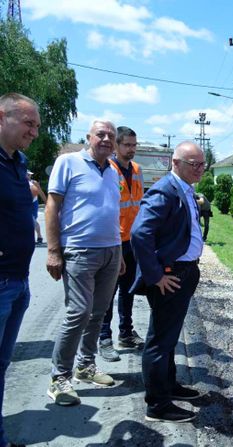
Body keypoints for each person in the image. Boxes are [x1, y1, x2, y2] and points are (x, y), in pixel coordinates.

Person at [45, 120, 123, 406]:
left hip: (111, 251)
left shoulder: (113, 171)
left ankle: (85, 366)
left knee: (99, 312)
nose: (106, 139)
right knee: (78, 312)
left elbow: (112, 212)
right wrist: (53, 250)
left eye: (110, 136)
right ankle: (59, 378)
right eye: (100, 134)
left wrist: (120, 253)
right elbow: (53, 205)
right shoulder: (68, 162)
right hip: (78, 250)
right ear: (88, 137)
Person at [130, 141, 205, 423]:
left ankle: (169, 386)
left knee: (169, 336)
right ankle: (158, 405)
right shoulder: (165, 189)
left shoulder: (185, 189)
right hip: (170, 276)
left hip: (185, 272)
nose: (199, 169)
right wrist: (155, 275)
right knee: (160, 340)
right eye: (193, 164)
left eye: (202, 164)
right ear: (175, 163)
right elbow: (140, 234)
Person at [0, 93, 40, 447]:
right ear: (2, 116)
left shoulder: (18, 162)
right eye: (29, 123)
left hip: (19, 281)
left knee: (1, 366)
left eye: (37, 125)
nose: (35, 132)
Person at [98, 126, 145, 363]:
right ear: (116, 146)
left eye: (134, 145)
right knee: (109, 291)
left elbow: (138, 205)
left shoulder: (136, 170)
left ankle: (125, 333)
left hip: (133, 242)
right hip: (114, 242)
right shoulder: (108, 169)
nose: (131, 149)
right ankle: (104, 337)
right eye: (127, 145)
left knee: (129, 290)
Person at [27, 171, 46, 245]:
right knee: (30, 220)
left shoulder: (34, 182)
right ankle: (36, 237)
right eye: (28, 175)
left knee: (33, 220)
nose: (29, 176)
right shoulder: (19, 181)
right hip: (25, 203)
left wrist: (46, 202)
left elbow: (40, 192)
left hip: (33, 203)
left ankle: (39, 236)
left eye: (30, 175)